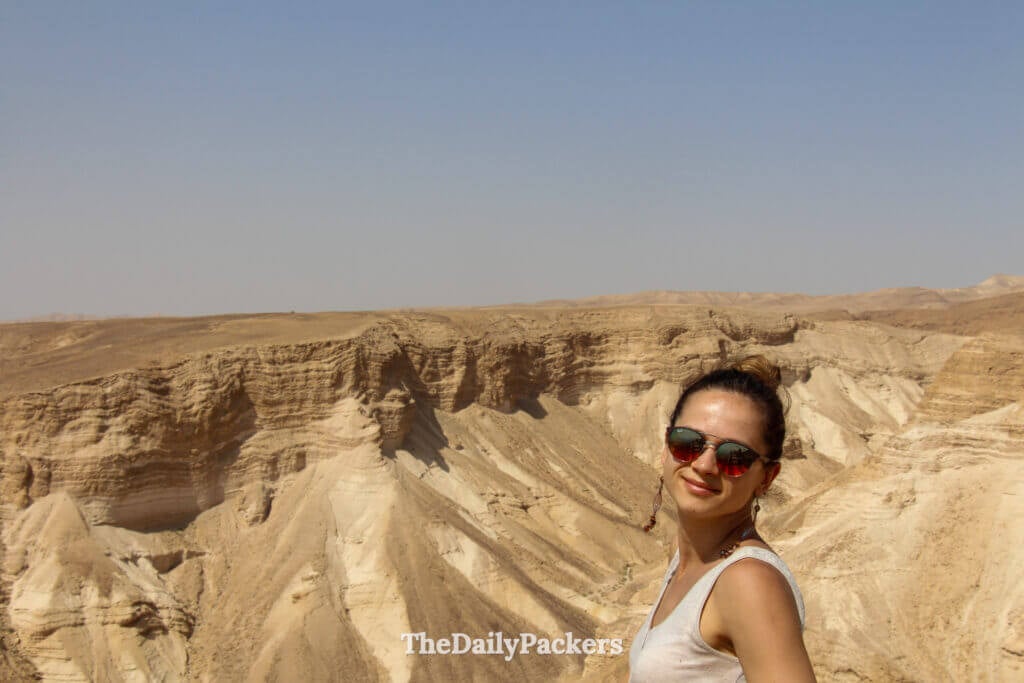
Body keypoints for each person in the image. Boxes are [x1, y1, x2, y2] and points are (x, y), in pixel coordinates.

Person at [628, 356, 815, 682]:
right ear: (665, 447)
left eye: (734, 456)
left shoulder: (749, 582)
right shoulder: (688, 556)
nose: (704, 465)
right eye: (687, 443)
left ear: (767, 478)